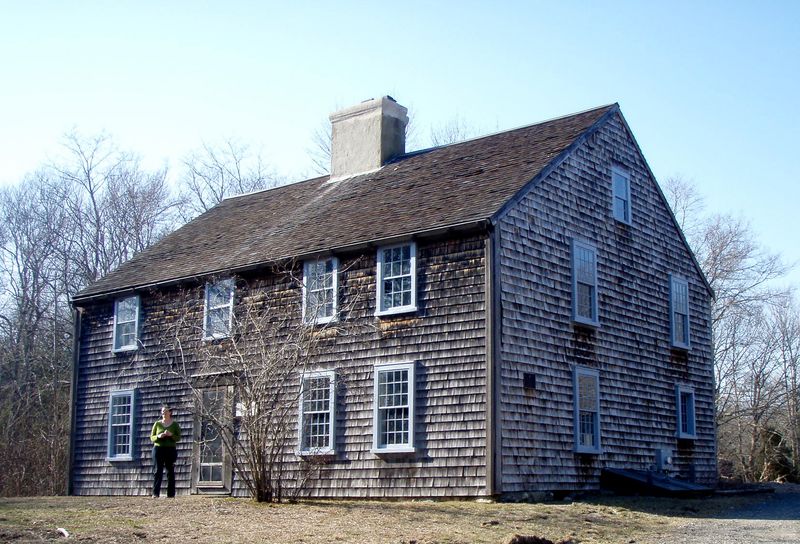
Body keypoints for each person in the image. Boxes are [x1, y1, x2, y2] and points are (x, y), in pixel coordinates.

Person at [150, 405, 181, 498]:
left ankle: (171, 494)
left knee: (170, 471)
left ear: (170, 413)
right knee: (158, 471)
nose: (163, 413)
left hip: (170, 449)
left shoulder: (175, 424)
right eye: (162, 411)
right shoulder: (157, 424)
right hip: (158, 449)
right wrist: (159, 436)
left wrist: (171, 435)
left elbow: (178, 437)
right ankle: (155, 493)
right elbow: (152, 437)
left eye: (165, 411)